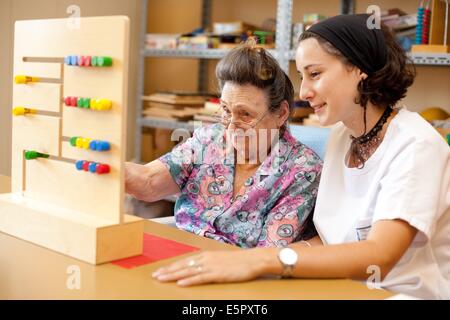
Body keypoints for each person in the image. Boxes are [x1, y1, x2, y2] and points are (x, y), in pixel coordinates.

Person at [152, 14, 450, 299]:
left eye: (315, 74)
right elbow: (334, 240)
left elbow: (379, 255)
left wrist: (260, 260)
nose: (304, 92)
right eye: (301, 76)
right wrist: (245, 260)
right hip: (338, 288)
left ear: (361, 70)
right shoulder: (341, 137)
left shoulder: (414, 146)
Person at [126, 41, 323, 248]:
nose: (230, 129)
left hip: (237, 270)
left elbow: (267, 255)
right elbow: (148, 181)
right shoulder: (208, 139)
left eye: (245, 115)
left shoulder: (302, 171)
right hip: (181, 252)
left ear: (281, 114)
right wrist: (110, 169)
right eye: (226, 111)